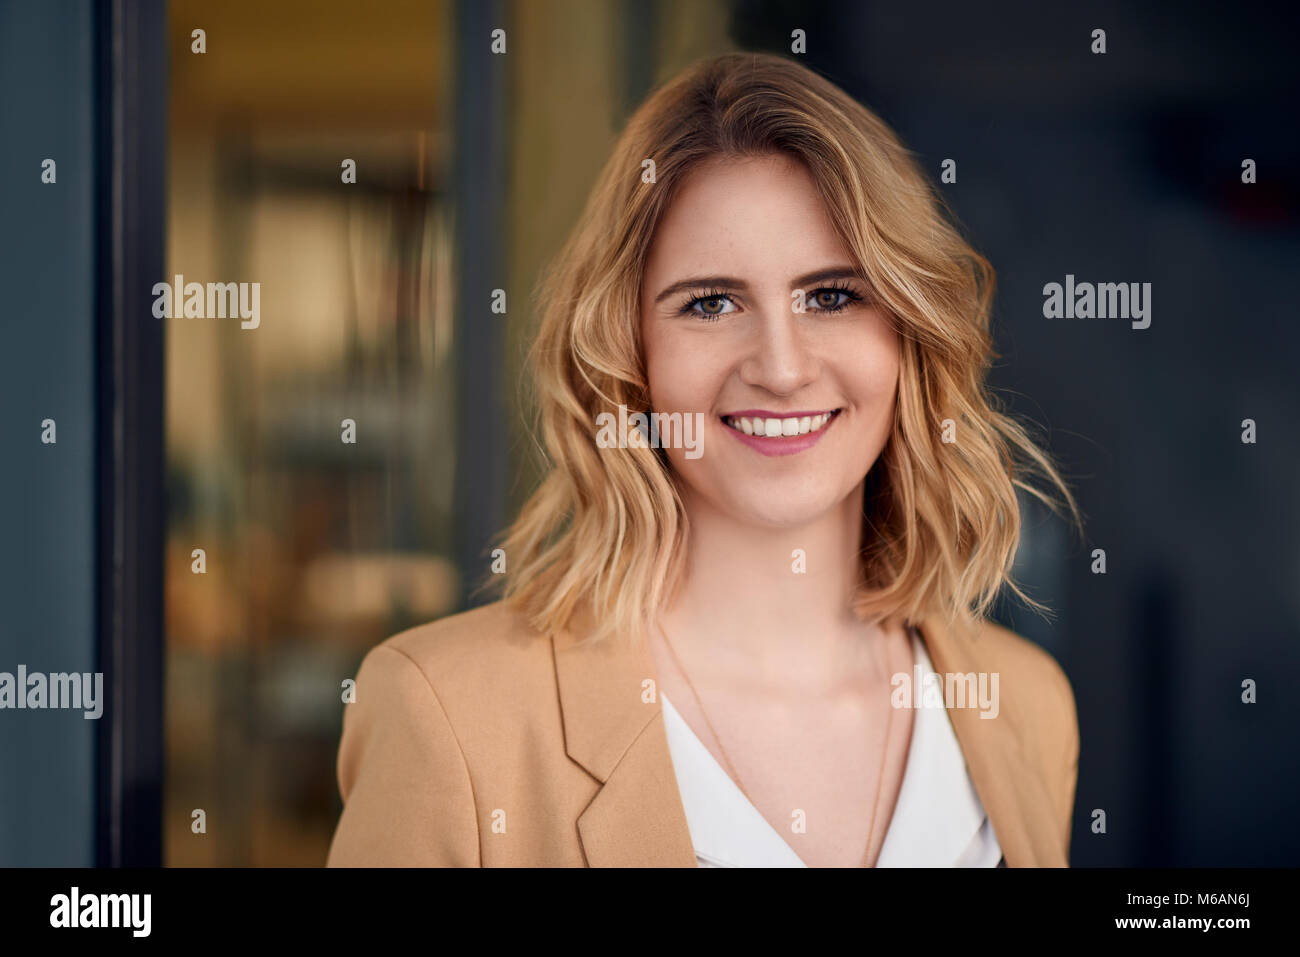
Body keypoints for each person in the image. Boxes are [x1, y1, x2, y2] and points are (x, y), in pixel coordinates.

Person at [326, 51, 1081, 868]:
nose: (782, 368)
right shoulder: (448, 716)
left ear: (908, 330)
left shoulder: (1026, 702)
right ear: (628, 350)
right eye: (711, 303)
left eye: (832, 295)